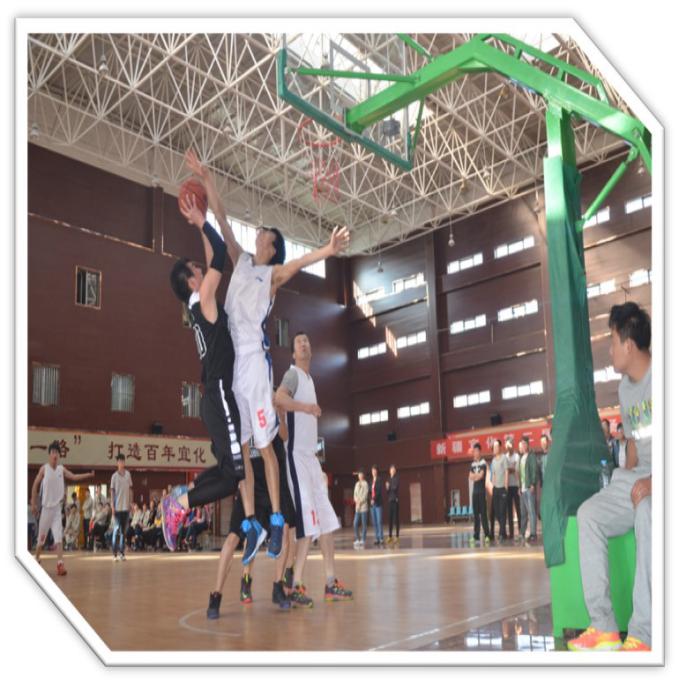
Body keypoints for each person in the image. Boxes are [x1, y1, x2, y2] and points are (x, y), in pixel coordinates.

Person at [184, 150, 350, 560]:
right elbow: (222, 219)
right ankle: (252, 523)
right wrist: (207, 178)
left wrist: (327, 250)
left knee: (265, 446)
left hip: (255, 366)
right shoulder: (241, 261)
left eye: (264, 234)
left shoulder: (271, 275)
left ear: (271, 247)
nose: (257, 233)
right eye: (258, 232)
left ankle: (276, 517)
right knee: (240, 447)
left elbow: (300, 262)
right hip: (233, 367)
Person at [166, 183, 266, 579]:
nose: (202, 269)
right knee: (233, 475)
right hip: (220, 397)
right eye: (196, 269)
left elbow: (211, 258)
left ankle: (190, 500)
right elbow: (220, 254)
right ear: (192, 281)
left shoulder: (199, 302)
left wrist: (200, 222)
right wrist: (201, 222)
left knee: (232, 469)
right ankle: (181, 503)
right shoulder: (203, 299)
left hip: (218, 397)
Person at [568, 302, 652, 652]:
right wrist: (624, 485)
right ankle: (604, 628)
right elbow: (632, 444)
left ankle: (645, 634)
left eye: (613, 341)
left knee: (647, 509)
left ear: (629, 345)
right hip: (640, 477)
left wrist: (655, 483)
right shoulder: (624, 389)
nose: (610, 350)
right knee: (589, 514)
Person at [275, 332, 352, 608]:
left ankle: (331, 583)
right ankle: (296, 584)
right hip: (296, 458)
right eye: (299, 342)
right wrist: (305, 408)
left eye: (307, 340)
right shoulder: (293, 375)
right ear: (294, 353)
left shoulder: (310, 380)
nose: (304, 343)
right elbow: (279, 397)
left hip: (311, 459)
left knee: (327, 523)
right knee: (307, 526)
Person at [30, 441, 94, 574]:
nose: (55, 455)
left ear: (59, 455)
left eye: (57, 452)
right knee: (41, 539)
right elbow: (35, 485)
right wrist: (34, 503)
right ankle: (36, 558)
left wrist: (88, 475)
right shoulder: (44, 469)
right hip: (46, 509)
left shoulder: (61, 469)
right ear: (49, 455)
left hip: (56, 510)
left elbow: (74, 477)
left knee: (59, 537)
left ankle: (60, 564)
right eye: (53, 452)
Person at [110, 453, 133, 561]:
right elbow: (112, 492)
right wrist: (112, 506)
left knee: (123, 532)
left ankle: (122, 553)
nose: (121, 463)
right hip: (117, 507)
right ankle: (114, 554)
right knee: (116, 530)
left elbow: (131, 489)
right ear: (117, 463)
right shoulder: (114, 476)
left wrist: (131, 503)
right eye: (119, 461)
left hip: (126, 508)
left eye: (123, 461)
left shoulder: (128, 474)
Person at [468, 442, 490, 544]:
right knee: (476, 515)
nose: (475, 453)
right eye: (474, 451)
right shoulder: (472, 464)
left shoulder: (483, 462)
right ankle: (476, 536)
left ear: (480, 452)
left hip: (481, 492)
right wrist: (475, 476)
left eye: (477, 451)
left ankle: (487, 535)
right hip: (475, 492)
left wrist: (475, 476)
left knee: (483, 514)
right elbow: (470, 476)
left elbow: (481, 476)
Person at [518, 437, 538, 542]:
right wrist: (519, 487)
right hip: (522, 489)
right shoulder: (521, 458)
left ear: (528, 444)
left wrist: (533, 484)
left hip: (529, 487)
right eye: (522, 444)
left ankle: (533, 534)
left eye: (525, 444)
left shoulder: (531, 456)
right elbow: (520, 474)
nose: (523, 446)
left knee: (531, 511)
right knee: (523, 513)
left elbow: (534, 470)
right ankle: (522, 533)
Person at [490, 439, 509, 541]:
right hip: (495, 489)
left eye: (496, 447)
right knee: (497, 512)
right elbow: (493, 473)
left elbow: (506, 472)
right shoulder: (493, 460)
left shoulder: (504, 458)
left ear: (500, 448)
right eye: (494, 447)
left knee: (502, 511)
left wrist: (506, 486)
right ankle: (503, 532)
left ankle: (502, 533)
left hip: (502, 488)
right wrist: (493, 485)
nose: (495, 448)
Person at [505, 439, 521, 539]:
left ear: (512, 445)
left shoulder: (517, 456)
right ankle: (511, 533)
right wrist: (511, 468)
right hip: (508, 486)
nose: (508, 447)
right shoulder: (505, 457)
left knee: (518, 509)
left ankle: (520, 531)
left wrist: (509, 469)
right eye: (506, 446)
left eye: (509, 445)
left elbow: (516, 469)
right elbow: (506, 470)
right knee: (509, 510)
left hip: (516, 485)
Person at [353, 470, 369, 549]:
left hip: (363, 507)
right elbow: (354, 494)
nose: (360, 476)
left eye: (361, 474)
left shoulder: (365, 483)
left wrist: (360, 501)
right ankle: (357, 539)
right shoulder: (356, 484)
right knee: (355, 523)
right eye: (359, 474)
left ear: (363, 475)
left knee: (364, 524)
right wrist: (356, 501)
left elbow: (365, 495)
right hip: (357, 507)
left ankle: (363, 539)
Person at [369, 465, 384, 547]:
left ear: (377, 471)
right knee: (374, 522)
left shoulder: (379, 480)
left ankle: (381, 538)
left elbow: (378, 491)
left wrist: (373, 499)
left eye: (374, 470)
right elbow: (369, 491)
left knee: (379, 521)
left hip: (378, 503)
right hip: (372, 504)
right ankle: (377, 538)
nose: (373, 472)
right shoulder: (371, 481)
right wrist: (370, 499)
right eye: (372, 471)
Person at [385, 464, 400, 545]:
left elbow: (395, 488)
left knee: (396, 519)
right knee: (390, 519)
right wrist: (387, 488)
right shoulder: (388, 479)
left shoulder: (397, 478)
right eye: (391, 469)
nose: (393, 470)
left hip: (395, 501)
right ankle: (390, 536)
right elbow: (387, 491)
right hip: (390, 501)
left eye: (394, 469)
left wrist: (389, 486)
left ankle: (397, 536)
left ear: (395, 471)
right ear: (389, 471)